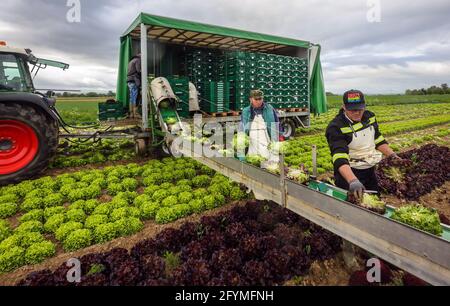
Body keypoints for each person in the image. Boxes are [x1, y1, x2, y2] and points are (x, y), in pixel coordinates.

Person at [325, 89, 400, 200]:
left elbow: (378, 139)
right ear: (344, 107)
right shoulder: (336, 127)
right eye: (352, 110)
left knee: (374, 202)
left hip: (370, 169)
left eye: (360, 109)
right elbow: (339, 157)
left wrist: (393, 156)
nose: (357, 113)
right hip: (349, 173)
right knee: (351, 206)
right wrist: (353, 181)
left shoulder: (369, 117)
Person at [239, 89, 283, 163]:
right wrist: (241, 154)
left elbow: (276, 123)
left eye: (260, 99)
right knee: (253, 163)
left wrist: (280, 138)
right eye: (256, 99)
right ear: (251, 99)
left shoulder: (269, 109)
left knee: (268, 162)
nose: (258, 101)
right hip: (252, 143)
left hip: (266, 141)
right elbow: (242, 131)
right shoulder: (246, 111)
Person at [127, 53, 142, 119]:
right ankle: (135, 113)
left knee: (132, 97)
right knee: (136, 97)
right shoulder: (138, 60)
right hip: (134, 80)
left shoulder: (131, 61)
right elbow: (138, 70)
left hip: (129, 80)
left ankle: (131, 113)